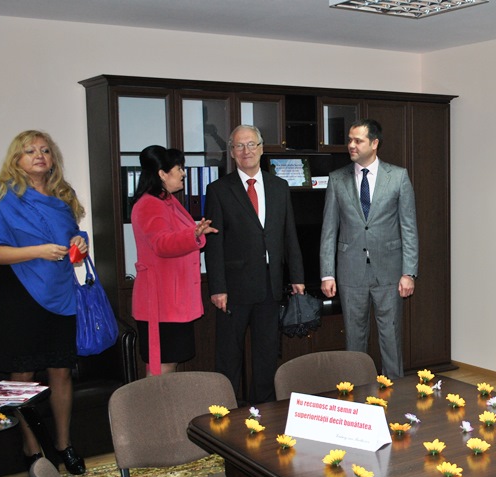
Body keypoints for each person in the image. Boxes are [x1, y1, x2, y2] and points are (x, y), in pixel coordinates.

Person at [0, 130, 89, 475]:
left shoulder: (62, 195)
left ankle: (64, 445)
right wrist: (37, 251)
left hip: (61, 292)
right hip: (19, 294)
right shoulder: (0, 195)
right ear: (17, 159)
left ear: (53, 159)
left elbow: (71, 240)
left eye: (45, 150)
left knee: (61, 371)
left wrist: (79, 245)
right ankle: (32, 449)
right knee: (22, 374)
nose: (39, 155)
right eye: (30, 151)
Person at [204, 125, 305, 403]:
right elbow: (214, 243)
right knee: (229, 356)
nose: (246, 151)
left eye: (251, 144)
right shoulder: (218, 190)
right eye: (239, 146)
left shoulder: (279, 187)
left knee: (267, 355)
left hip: (270, 286)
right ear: (231, 152)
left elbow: (289, 235)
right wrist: (217, 288)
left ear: (261, 148)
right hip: (233, 289)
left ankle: (264, 411)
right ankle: (224, 411)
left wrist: (297, 277)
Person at [319, 119, 419, 380]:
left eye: (358, 140)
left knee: (391, 338)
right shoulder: (337, 179)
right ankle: (356, 393)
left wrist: (409, 272)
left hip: (390, 272)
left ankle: (396, 394)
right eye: (349, 140)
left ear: (374, 143)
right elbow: (329, 230)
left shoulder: (398, 176)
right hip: (350, 272)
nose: (351, 145)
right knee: (354, 340)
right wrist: (327, 274)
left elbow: (409, 228)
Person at [130, 145, 216, 376]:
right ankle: (155, 402)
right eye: (179, 168)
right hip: (161, 300)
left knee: (170, 362)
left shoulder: (166, 200)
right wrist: (194, 234)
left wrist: (195, 233)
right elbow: (162, 243)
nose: (183, 173)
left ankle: (165, 401)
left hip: (173, 300)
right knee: (162, 364)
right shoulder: (150, 203)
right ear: (162, 174)